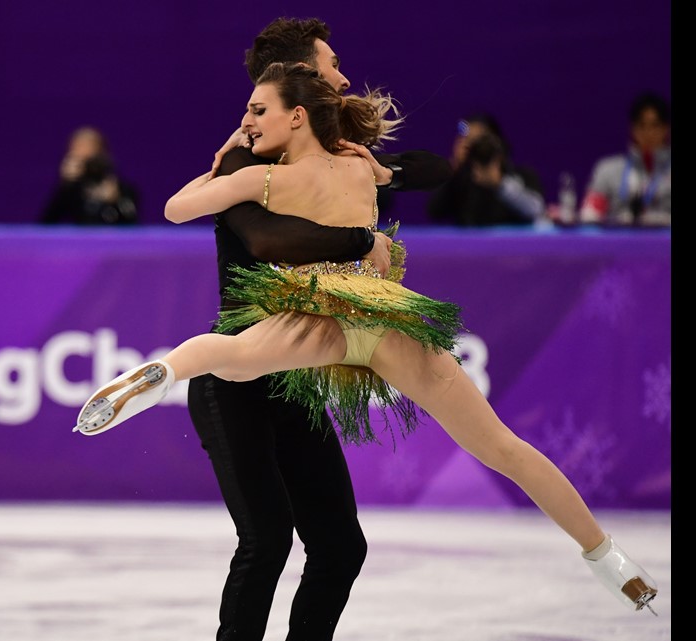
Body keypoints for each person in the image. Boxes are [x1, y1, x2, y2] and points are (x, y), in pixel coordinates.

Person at [75, 62, 660, 619]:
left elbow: (177, 209)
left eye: (257, 109)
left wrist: (230, 155)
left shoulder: (267, 178)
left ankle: (158, 376)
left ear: (296, 116)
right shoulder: (358, 165)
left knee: (231, 358)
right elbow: (423, 171)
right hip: (383, 317)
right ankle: (611, 562)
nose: (249, 119)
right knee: (502, 448)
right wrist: (373, 171)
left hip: (317, 315)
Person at [90, 17, 449, 641]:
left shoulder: (332, 167)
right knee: (267, 542)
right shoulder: (243, 167)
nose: (342, 75)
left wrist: (382, 174)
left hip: (295, 384)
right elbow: (264, 237)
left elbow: (435, 168)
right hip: (236, 379)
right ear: (302, 83)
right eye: (330, 65)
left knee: (340, 547)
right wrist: (363, 240)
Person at [426, 113, 547, 227]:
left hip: (511, 248)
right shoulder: (461, 179)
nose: (478, 148)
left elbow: (536, 209)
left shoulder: (521, 174)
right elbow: (434, 211)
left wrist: (499, 183)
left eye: (482, 141)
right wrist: (454, 166)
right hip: (470, 248)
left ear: (498, 142)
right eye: (471, 142)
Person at [579, 92, 671, 227]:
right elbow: (590, 214)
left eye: (655, 125)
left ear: (666, 129)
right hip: (617, 245)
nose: (648, 133)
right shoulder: (608, 170)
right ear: (633, 129)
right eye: (642, 126)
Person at [39, 126, 141, 225]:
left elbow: (133, 225)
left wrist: (116, 201)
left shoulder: (120, 187)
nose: (81, 152)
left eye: (87, 147)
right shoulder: (72, 189)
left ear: (101, 151)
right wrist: (65, 184)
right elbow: (46, 223)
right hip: (83, 241)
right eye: (76, 148)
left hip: (113, 241)